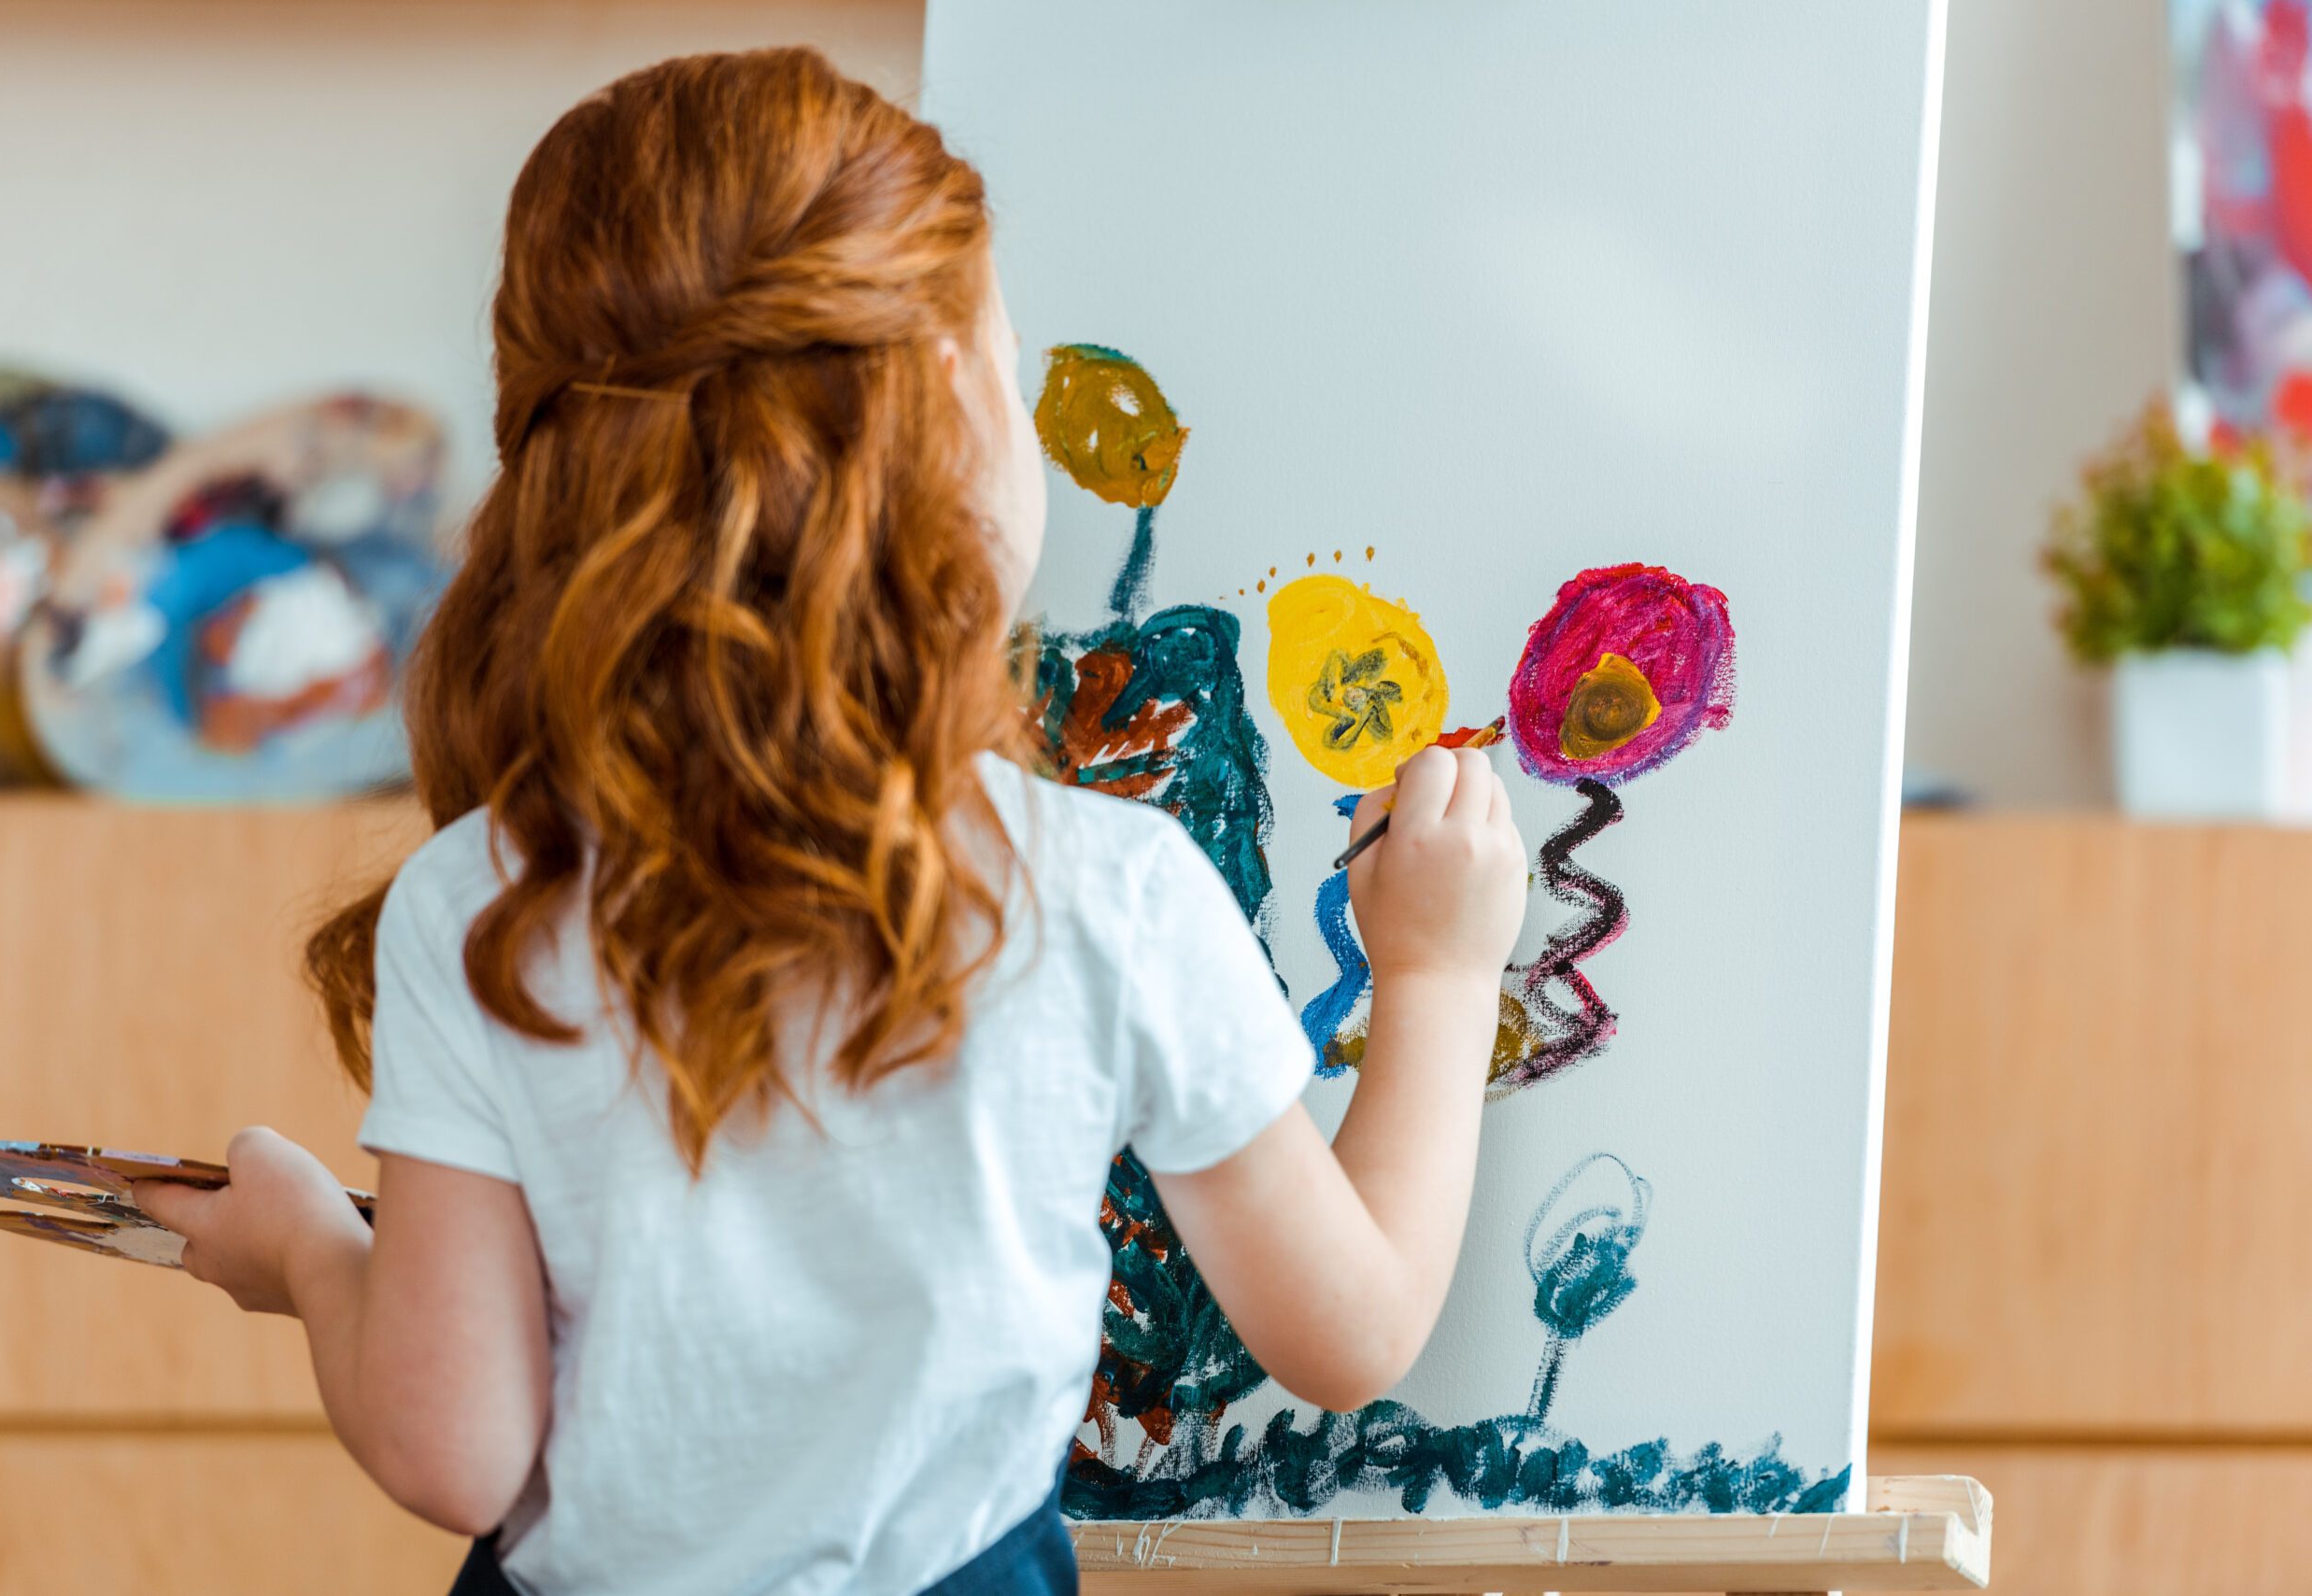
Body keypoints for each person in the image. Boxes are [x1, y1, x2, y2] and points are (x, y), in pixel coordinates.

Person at [135, 47, 1527, 1596]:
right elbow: (1351, 1328)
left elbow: (463, 1452)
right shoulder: (1105, 889)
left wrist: (315, 1253)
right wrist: (1442, 976)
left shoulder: (481, 901)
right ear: (947, 407)